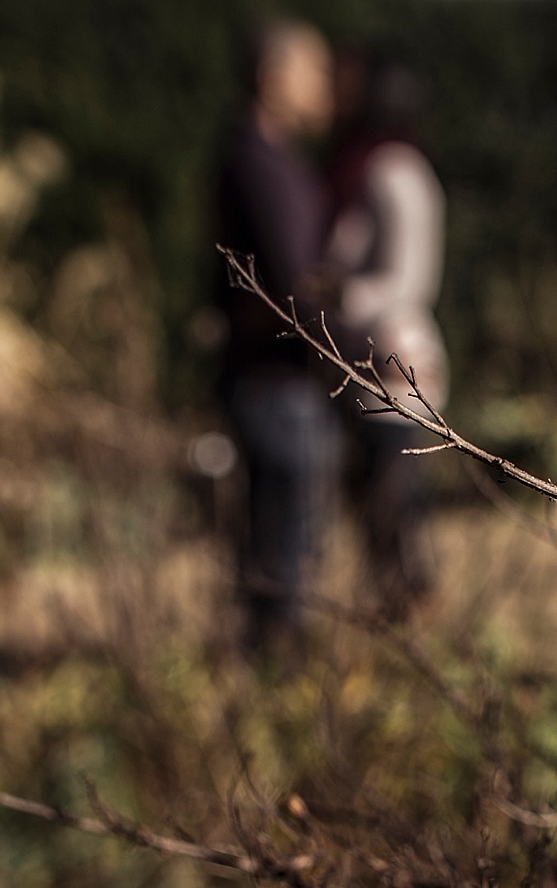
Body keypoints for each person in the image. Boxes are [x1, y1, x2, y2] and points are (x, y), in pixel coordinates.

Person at [209, 19, 340, 653]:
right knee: (283, 537)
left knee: (282, 533)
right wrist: (358, 350)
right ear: (272, 78)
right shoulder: (259, 164)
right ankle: (276, 661)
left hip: (278, 377)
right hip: (272, 379)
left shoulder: (271, 160)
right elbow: (295, 283)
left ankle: (274, 656)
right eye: (312, 70)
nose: (325, 84)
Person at [327, 54, 450, 621]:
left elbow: (409, 279)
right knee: (381, 513)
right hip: (374, 357)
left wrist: (332, 298)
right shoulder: (378, 167)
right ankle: (400, 622)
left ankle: (415, 623)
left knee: (396, 512)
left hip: (395, 360)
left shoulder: (394, 170)